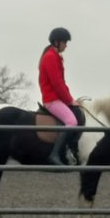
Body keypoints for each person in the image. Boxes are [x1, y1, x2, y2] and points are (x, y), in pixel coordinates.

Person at [38, 27, 79, 166]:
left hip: (57, 98)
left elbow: (62, 83)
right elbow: (57, 83)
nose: (66, 45)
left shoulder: (55, 56)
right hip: (52, 100)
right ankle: (55, 154)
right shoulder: (50, 57)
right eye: (65, 42)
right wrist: (69, 101)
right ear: (57, 42)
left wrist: (72, 99)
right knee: (72, 122)